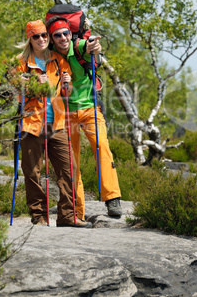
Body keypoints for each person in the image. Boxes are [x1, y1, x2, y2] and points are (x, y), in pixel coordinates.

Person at [12, 20, 92, 228]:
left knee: (69, 170)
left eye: (44, 36)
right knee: (32, 173)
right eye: (36, 36)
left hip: (56, 124)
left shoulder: (58, 61)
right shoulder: (21, 63)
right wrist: (30, 84)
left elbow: (66, 93)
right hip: (30, 125)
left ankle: (68, 216)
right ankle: (39, 217)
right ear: (29, 39)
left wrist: (67, 85)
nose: (42, 40)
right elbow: (13, 93)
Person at [46, 17, 122, 220]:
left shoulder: (79, 46)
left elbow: (91, 49)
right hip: (66, 113)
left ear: (71, 34)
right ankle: (76, 210)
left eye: (66, 33)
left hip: (90, 109)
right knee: (71, 162)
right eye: (57, 35)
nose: (63, 38)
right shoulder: (50, 56)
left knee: (102, 147)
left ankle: (112, 198)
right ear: (52, 39)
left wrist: (94, 48)